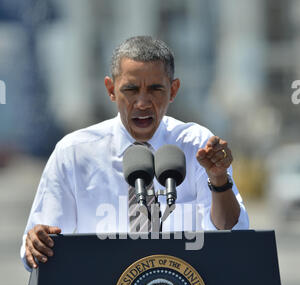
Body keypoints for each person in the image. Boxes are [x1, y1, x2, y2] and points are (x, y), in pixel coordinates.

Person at [20, 36, 249, 272]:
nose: (142, 103)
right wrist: (37, 243)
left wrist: (219, 180)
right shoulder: (74, 153)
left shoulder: (197, 146)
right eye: (130, 90)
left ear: (173, 90)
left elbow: (232, 237)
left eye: (155, 89)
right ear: (111, 89)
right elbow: (38, 252)